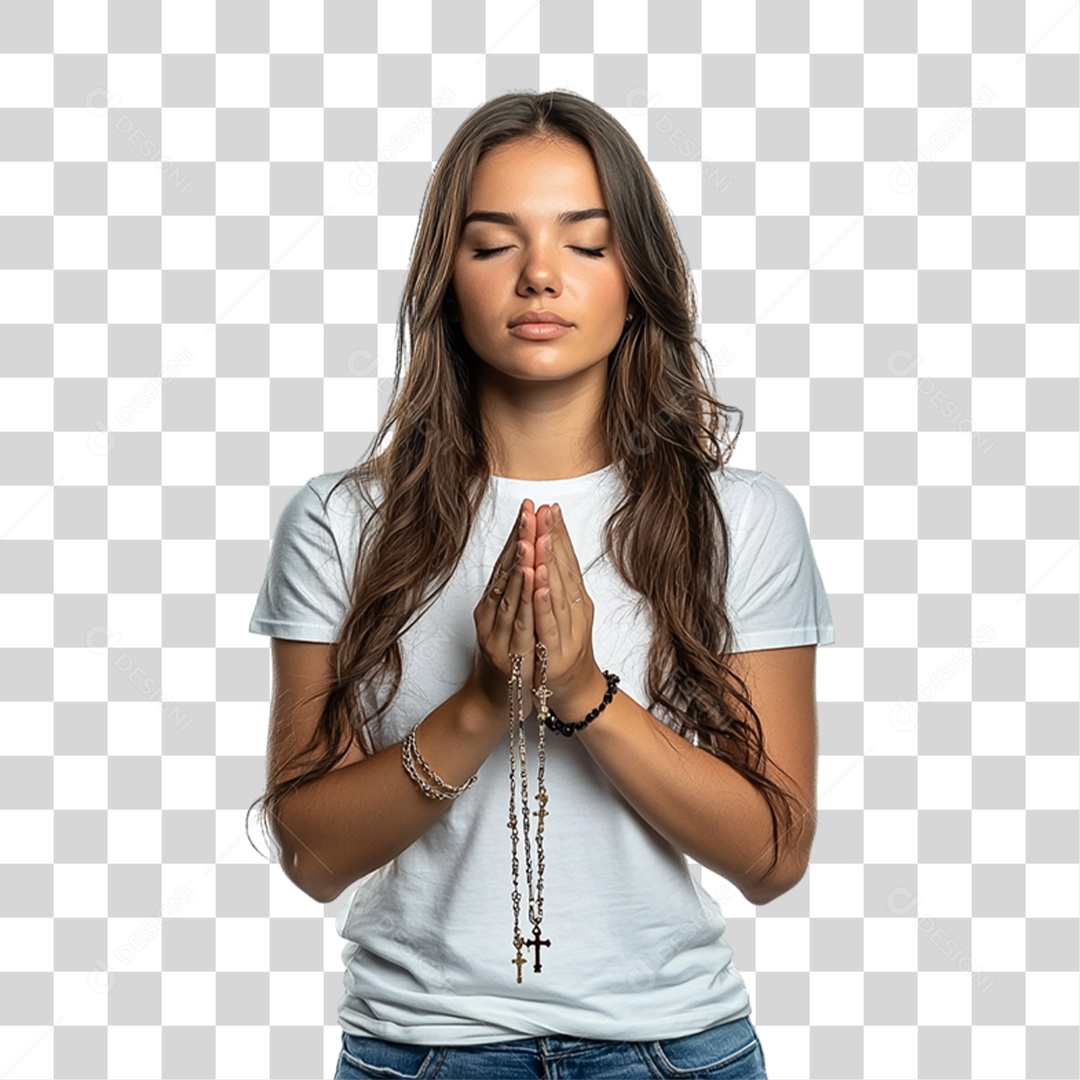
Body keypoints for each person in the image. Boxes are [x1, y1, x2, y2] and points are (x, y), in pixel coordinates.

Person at [248, 89, 834, 1080]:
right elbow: (312, 857)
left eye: (586, 242)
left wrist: (582, 696)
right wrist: (483, 703)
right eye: (492, 245)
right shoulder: (343, 521)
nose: (539, 277)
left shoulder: (741, 517)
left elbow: (772, 859)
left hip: (675, 1049)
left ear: (637, 274)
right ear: (447, 277)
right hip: (421, 1049)